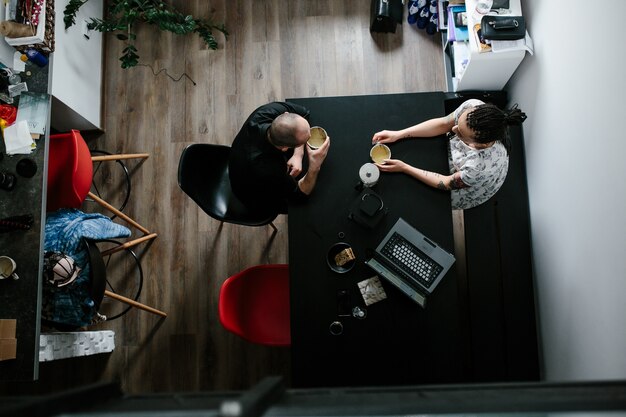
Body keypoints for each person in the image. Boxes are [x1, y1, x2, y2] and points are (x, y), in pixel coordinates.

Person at [371, 99, 526, 210]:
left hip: (472, 183)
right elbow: (444, 124)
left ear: (481, 144)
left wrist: (405, 168)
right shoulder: (473, 107)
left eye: (460, 133)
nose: (453, 130)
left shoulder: (477, 168)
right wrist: (399, 134)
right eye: (458, 124)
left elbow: (445, 183)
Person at [229, 101, 330, 215]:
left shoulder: (265, 112)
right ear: (284, 148)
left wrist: (298, 154)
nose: (310, 135)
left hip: (239, 157)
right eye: (305, 140)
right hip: (253, 195)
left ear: (285, 114)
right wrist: (314, 167)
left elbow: (304, 113)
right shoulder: (269, 169)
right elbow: (299, 195)